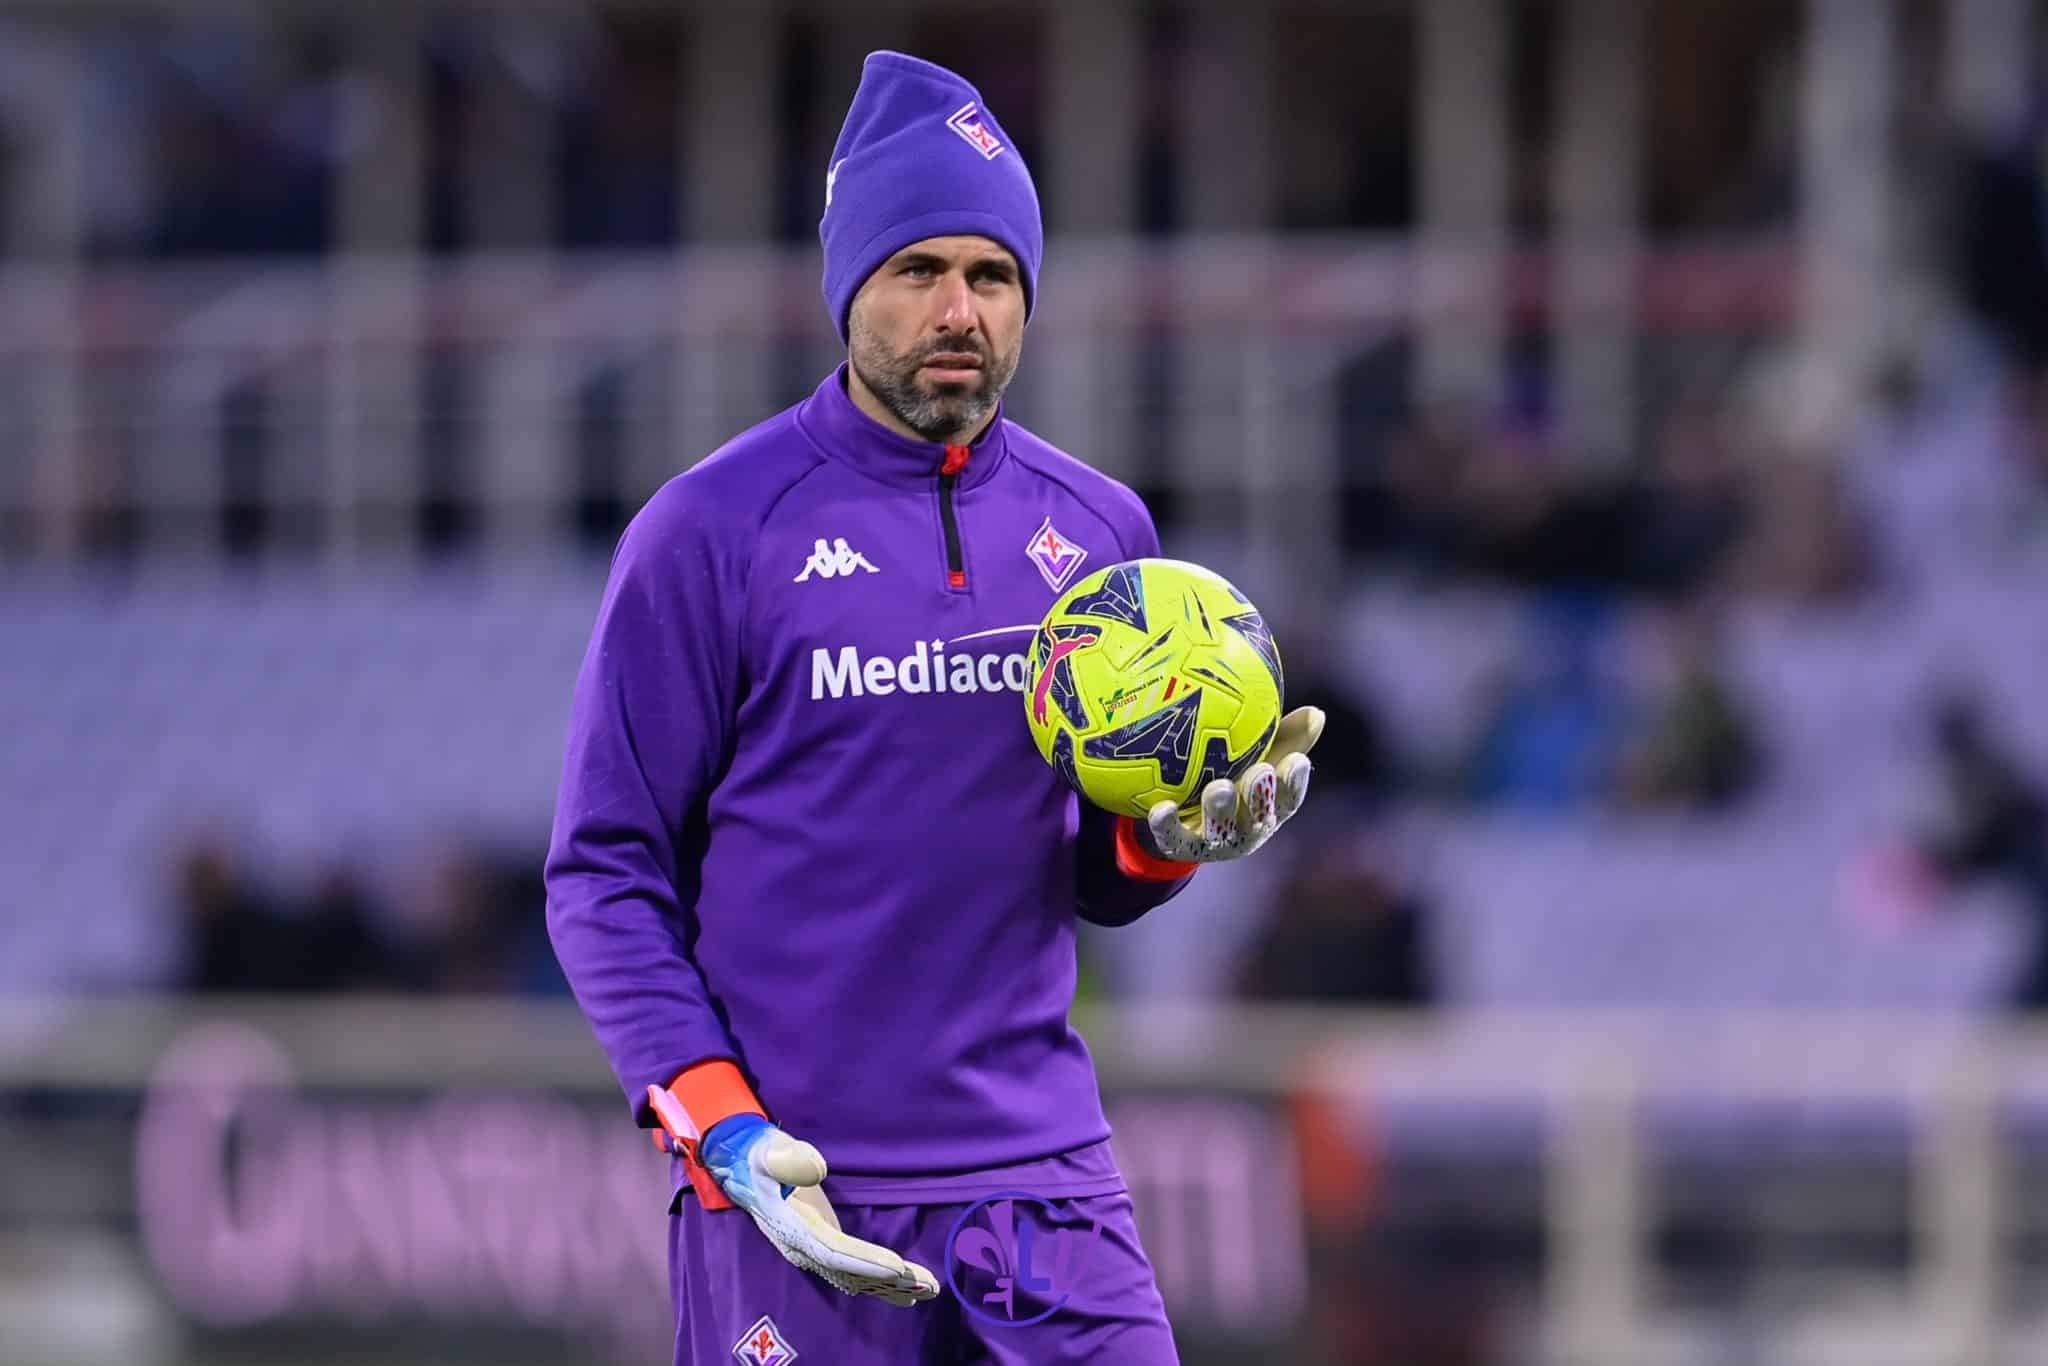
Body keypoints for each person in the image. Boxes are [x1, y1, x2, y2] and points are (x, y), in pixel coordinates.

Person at [544, 52, 1323, 1366]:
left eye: (993, 275)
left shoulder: (1103, 536)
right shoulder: (708, 534)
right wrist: (724, 1130)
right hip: (797, 1186)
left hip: (1045, 1182)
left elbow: (1086, 869)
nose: (960, 309)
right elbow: (603, 876)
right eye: (919, 271)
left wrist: (1164, 843)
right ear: (849, 286)